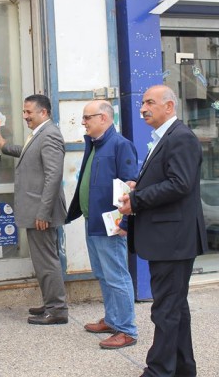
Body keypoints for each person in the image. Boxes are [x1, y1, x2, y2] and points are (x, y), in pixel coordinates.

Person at [118, 85, 207, 377]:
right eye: (142, 103)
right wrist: (138, 187)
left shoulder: (181, 137)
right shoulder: (164, 137)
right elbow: (169, 179)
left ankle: (158, 371)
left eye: (150, 103)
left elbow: (180, 184)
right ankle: (183, 369)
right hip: (169, 240)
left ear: (169, 106)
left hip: (174, 240)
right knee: (175, 308)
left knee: (166, 310)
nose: (143, 108)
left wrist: (137, 200)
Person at [66, 100, 139, 349]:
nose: (83, 122)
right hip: (93, 221)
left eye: (87, 117)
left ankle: (126, 330)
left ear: (104, 118)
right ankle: (112, 320)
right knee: (103, 274)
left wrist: (125, 222)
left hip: (111, 225)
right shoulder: (95, 144)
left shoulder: (120, 145)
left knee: (117, 276)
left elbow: (130, 187)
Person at [0, 94, 68, 325]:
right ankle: (50, 303)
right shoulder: (39, 133)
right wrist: (6, 147)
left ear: (43, 112)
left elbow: (53, 176)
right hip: (37, 211)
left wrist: (43, 213)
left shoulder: (50, 134)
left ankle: (57, 310)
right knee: (42, 261)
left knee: (46, 262)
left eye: (29, 112)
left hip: (41, 213)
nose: (25, 116)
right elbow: (28, 153)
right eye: (24, 112)